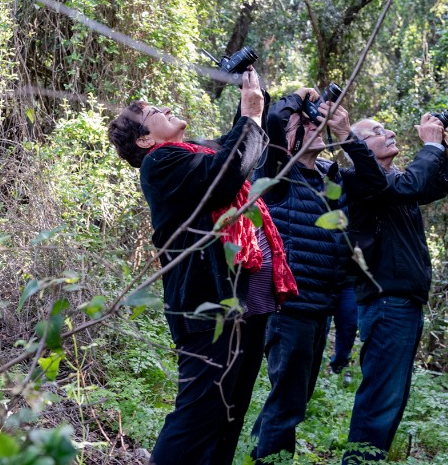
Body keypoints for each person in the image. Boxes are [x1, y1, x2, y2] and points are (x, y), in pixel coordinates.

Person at [107, 69, 298, 465]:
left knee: (228, 415)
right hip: (207, 307)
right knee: (198, 415)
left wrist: (252, 104)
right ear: (145, 139)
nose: (167, 108)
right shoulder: (160, 165)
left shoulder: (193, 153)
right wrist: (249, 115)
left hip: (245, 304)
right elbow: (225, 176)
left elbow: (234, 151)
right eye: (155, 110)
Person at [250, 88, 387, 463]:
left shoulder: (332, 178)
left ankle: (256, 449)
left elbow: (377, 185)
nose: (314, 126)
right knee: (289, 403)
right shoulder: (277, 175)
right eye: (305, 123)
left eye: (316, 121)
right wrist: (297, 98)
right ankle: (270, 458)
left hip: (318, 308)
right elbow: (273, 122)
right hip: (288, 307)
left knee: (295, 398)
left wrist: (348, 136)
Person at [342, 114, 448, 464]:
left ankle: (368, 460)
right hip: (387, 303)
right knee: (380, 398)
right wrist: (428, 146)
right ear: (356, 150)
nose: (389, 133)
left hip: (403, 304)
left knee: (391, 398)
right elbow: (408, 185)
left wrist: (441, 145)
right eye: (376, 133)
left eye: (386, 127)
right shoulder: (362, 182)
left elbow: (439, 183)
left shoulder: (396, 183)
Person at [326, 277, 358, 385]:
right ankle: (314, 370)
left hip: (349, 280)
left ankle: (339, 366)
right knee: (320, 329)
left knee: (348, 327)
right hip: (324, 279)